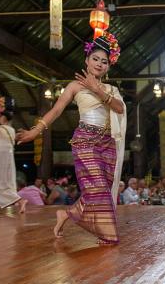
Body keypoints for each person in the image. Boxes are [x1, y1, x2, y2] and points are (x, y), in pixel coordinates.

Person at [16, 32, 126, 245]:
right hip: (85, 141)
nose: (99, 64)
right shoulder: (75, 86)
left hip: (108, 143)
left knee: (102, 188)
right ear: (87, 60)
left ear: (108, 66)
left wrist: (98, 90)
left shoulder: (112, 89)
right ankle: (106, 233)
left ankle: (66, 215)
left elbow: (120, 108)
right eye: (95, 59)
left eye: (104, 61)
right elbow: (56, 111)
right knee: (98, 188)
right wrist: (35, 131)